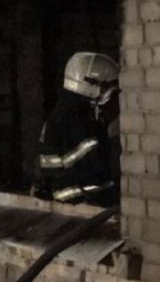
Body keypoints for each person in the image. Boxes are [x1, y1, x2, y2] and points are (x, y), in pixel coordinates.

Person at [36, 52, 120, 206]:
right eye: (105, 87)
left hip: (66, 198)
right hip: (80, 199)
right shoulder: (78, 119)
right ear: (89, 84)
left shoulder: (62, 113)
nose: (108, 94)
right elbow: (94, 170)